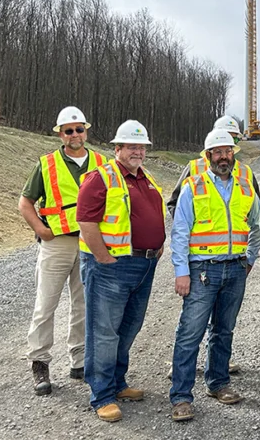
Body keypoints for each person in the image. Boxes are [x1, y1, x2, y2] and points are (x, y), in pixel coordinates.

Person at [76, 120, 167, 423]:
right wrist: (103, 258)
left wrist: (157, 245)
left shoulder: (146, 177)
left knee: (129, 327)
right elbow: (86, 221)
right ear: (117, 148)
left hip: (144, 265)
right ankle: (101, 394)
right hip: (112, 268)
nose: (138, 152)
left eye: (142, 147)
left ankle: (117, 383)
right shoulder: (100, 178)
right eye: (131, 146)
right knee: (104, 331)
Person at [167, 129, 260, 422]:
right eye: (218, 152)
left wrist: (250, 258)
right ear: (208, 156)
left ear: (233, 155)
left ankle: (218, 383)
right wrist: (182, 272)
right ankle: (181, 396)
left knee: (224, 330)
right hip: (202, 270)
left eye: (228, 151)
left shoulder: (245, 187)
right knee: (190, 334)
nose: (223, 157)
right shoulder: (193, 187)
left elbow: (257, 226)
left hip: (235, 268)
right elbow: (180, 232)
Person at [18, 106, 107, 396]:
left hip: (89, 243)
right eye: (68, 131)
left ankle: (79, 361)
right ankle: (39, 362)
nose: (74, 134)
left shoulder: (102, 163)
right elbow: (25, 202)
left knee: (83, 304)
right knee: (46, 304)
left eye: (79, 129)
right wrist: (41, 229)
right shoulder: (46, 164)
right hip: (57, 243)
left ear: (86, 131)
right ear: (60, 134)